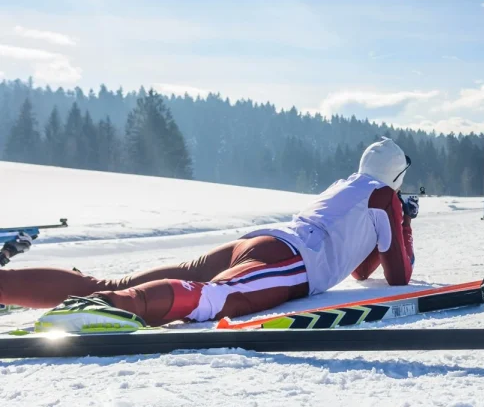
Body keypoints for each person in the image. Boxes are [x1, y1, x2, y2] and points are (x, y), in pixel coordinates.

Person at [2, 138, 417, 332]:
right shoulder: (385, 197)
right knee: (212, 300)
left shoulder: (347, 186)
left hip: (259, 243)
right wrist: (405, 223)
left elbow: (361, 269)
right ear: (397, 175)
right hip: (292, 261)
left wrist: (395, 223)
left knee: (115, 280)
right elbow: (398, 276)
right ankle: (110, 309)